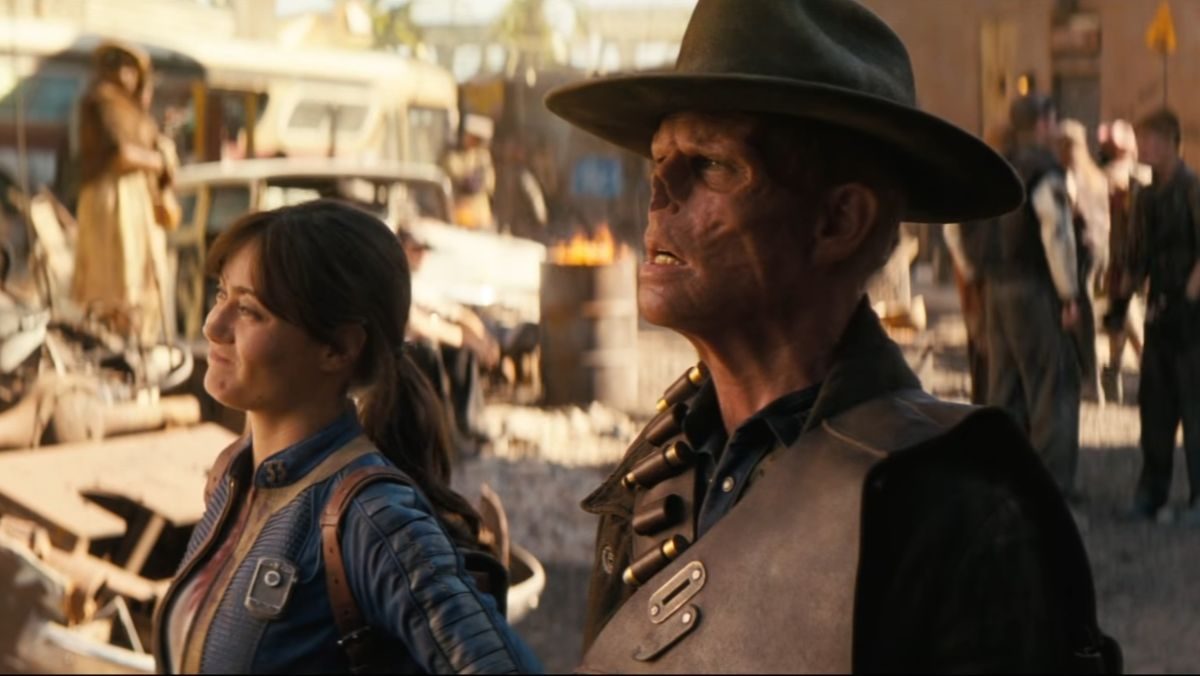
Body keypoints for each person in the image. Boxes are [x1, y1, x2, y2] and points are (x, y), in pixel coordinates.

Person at [544, 0, 1119, 672]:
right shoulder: (658, 473)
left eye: (711, 165)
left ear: (839, 221)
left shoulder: (958, 511)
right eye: (659, 160)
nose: (659, 192)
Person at [150, 200, 541, 673]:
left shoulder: (375, 519)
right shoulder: (235, 478)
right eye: (221, 295)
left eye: (250, 310)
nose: (213, 326)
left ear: (338, 348)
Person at [980, 94, 1084, 500]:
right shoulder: (1044, 171)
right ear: (1042, 123)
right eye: (1053, 120)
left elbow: (964, 229)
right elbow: (1057, 234)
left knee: (1004, 388)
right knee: (1050, 387)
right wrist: (1069, 293)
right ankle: (1050, 491)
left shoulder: (999, 166)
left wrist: (976, 272)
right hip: (1034, 287)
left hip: (996, 288)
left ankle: (1004, 485)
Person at [72, 41, 178, 344]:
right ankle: (114, 345)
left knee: (142, 283)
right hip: (113, 201)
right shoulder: (101, 101)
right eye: (116, 63)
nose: (122, 71)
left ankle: (136, 344)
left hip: (137, 202)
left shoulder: (136, 110)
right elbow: (120, 156)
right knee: (115, 283)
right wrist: (160, 162)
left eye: (129, 66)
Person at [1126, 109, 1200, 523]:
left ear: (1172, 142)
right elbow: (1138, 256)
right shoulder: (1146, 196)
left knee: (1195, 407)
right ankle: (1151, 492)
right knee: (1154, 406)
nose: (1144, 147)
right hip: (1159, 313)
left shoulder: (1192, 189)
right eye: (1141, 139)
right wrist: (1123, 298)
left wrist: (1188, 299)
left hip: (1192, 318)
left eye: (1151, 139)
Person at [1057, 118, 1111, 404]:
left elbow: (1066, 216)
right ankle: (1089, 377)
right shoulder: (1097, 176)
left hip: (1081, 249)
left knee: (1079, 312)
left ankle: (1090, 378)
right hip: (1099, 249)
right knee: (1084, 310)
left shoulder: (1072, 177)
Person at [1099, 119, 1148, 404]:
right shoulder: (1142, 176)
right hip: (1126, 260)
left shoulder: (1115, 176)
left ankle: (1125, 370)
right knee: (1122, 314)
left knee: (1124, 313)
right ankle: (1118, 371)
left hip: (1123, 260)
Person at [442, 114, 497, 230]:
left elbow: (489, 185)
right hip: (460, 213)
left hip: (480, 215)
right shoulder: (454, 156)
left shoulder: (483, 157)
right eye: (471, 137)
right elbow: (455, 174)